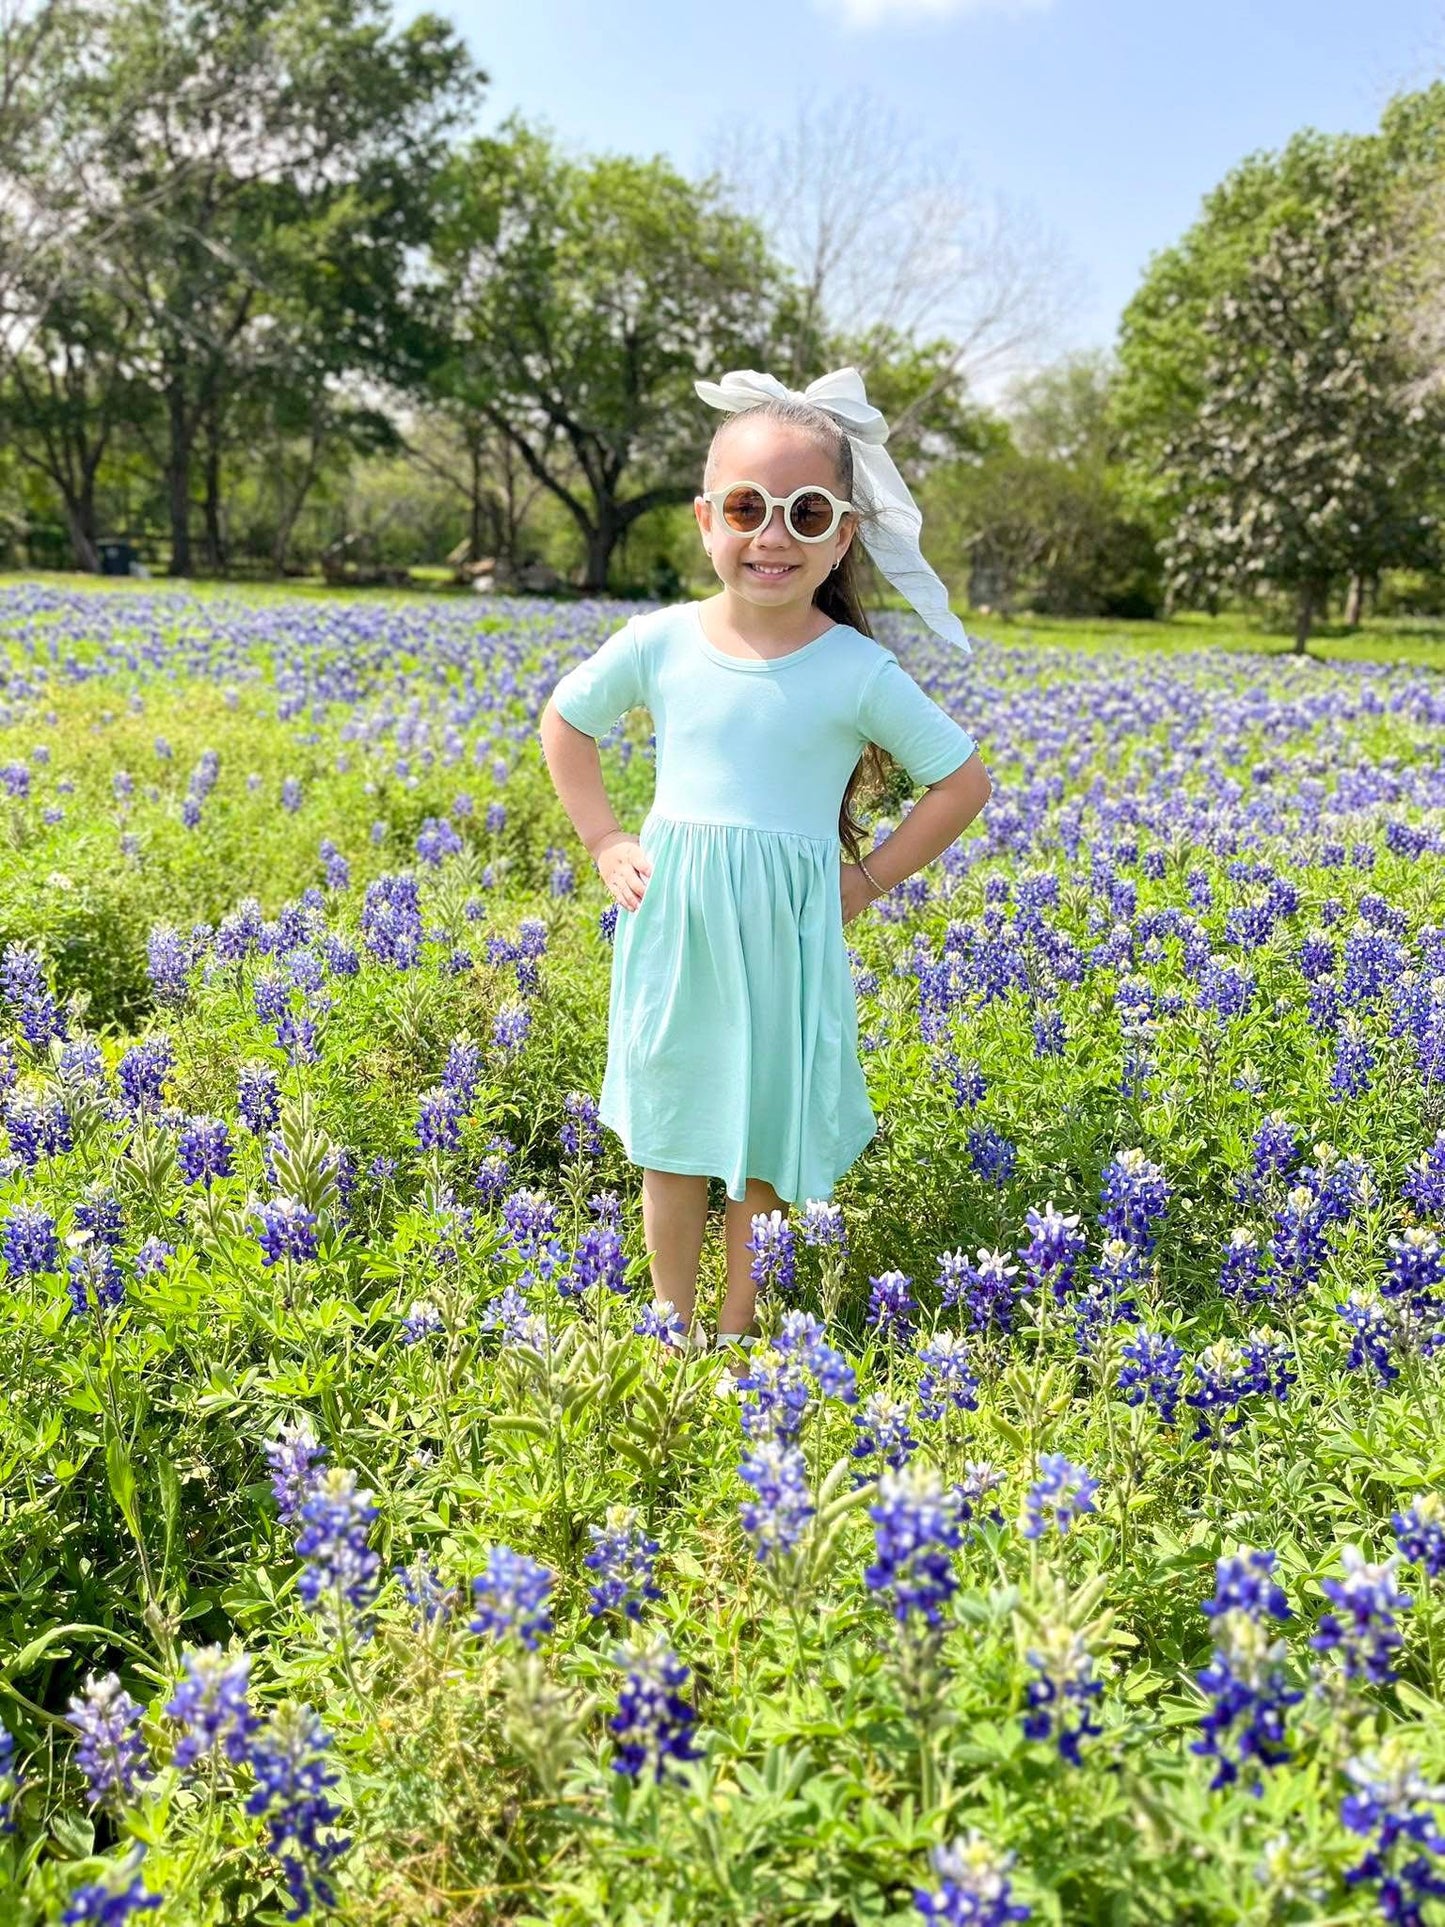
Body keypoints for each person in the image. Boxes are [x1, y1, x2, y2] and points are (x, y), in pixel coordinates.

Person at [539, 367, 992, 1367]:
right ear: (706, 519)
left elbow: (960, 782)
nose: (772, 533)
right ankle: (669, 1329)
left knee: (762, 1138)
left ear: (842, 535)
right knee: (669, 1130)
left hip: (786, 931)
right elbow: (565, 722)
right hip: (677, 923)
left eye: (806, 511)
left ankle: (738, 1338)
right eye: (747, 507)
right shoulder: (659, 640)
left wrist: (863, 881)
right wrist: (606, 839)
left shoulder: (854, 668)